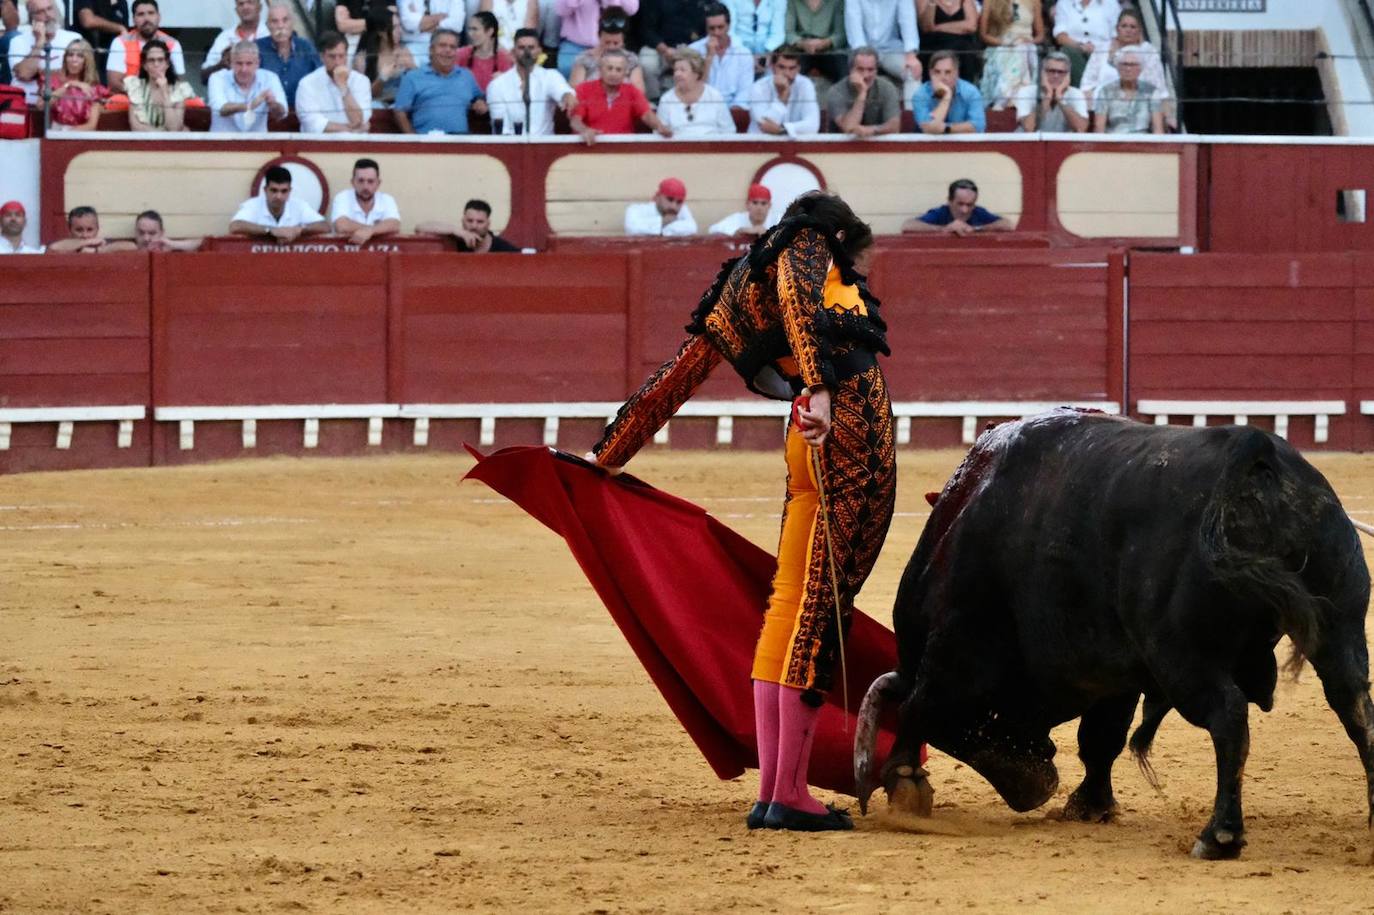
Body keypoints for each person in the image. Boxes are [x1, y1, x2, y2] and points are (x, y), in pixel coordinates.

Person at [587, 190, 895, 833]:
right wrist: (817, 388)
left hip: (806, 446)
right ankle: (786, 796)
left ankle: (775, 790)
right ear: (836, 234)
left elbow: (680, 372)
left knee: (788, 608)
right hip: (848, 439)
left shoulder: (737, 284)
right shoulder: (808, 247)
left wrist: (611, 453)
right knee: (817, 611)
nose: (859, 272)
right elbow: (801, 305)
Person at [1080, 7, 1171, 122]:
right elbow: (1086, 86)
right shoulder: (1102, 49)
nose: (1128, 30)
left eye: (1133, 27)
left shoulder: (1150, 52)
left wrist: (1168, 118)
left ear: (1139, 31)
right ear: (1117, 29)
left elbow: (1160, 91)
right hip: (1102, 111)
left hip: (1140, 112)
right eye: (1124, 26)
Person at [569, 47, 671, 142]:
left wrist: (659, 126)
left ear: (625, 73)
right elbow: (575, 120)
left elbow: (647, 115)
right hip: (590, 147)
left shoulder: (632, 91)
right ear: (600, 70)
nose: (613, 73)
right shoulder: (584, 89)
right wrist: (584, 130)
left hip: (623, 148)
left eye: (618, 69)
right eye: (609, 68)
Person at [486, 26, 575, 135]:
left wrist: (567, 96)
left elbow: (562, 91)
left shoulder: (550, 76)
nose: (527, 52)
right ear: (513, 52)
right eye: (522, 48)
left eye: (531, 47)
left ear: (539, 51)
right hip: (510, 146)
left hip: (544, 146)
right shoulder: (497, 85)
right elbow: (500, 127)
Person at [394, 28, 485, 134]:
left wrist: (480, 102)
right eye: (442, 45)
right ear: (431, 49)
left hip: (460, 141)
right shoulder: (412, 77)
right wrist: (414, 139)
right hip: (427, 140)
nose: (448, 50)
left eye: (453, 47)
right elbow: (399, 111)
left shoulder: (466, 76)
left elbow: (479, 97)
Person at [295, 30, 372, 132]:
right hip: (319, 145)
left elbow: (358, 120)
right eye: (332, 56)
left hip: (354, 145)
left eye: (341, 56)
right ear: (322, 57)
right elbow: (313, 123)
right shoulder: (306, 84)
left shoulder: (361, 81)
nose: (337, 62)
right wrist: (349, 130)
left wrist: (343, 87)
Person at [843, 0, 921, 100]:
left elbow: (907, 21)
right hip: (862, 50)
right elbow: (854, 30)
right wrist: (864, 60)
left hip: (891, 49)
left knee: (912, 72)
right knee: (860, 73)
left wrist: (911, 55)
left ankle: (911, 115)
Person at [7, 0, 82, 105]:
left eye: (49, 9)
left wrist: (38, 73)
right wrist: (40, 42)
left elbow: (78, 74)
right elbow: (24, 74)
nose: (48, 15)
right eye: (40, 12)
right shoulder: (17, 41)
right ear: (31, 17)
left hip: (63, 106)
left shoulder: (73, 38)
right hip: (24, 105)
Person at [229, 165, 330, 240]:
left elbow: (324, 226)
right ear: (265, 190)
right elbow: (235, 226)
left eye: (284, 191)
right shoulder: (253, 205)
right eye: (274, 190)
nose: (278, 196)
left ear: (290, 191)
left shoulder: (299, 206)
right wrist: (270, 230)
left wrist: (298, 229)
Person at [634, 0, 710, 99]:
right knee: (647, 63)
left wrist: (687, 52)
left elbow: (706, 33)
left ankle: (691, 99)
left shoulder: (702, 3)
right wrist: (665, 50)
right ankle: (653, 100)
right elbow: (646, 30)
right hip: (660, 48)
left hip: (690, 49)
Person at [105, 0, 185, 93]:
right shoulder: (120, 42)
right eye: (141, 14)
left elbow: (180, 82)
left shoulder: (172, 44)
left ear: (159, 17)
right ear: (134, 19)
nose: (146, 18)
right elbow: (114, 83)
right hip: (129, 99)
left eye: (151, 13)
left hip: (163, 100)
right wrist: (143, 97)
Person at [207, 40, 287, 132]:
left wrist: (273, 104)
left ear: (257, 63)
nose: (244, 69)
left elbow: (282, 113)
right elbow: (221, 109)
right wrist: (250, 105)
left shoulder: (270, 78)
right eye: (239, 63)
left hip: (258, 143)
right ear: (231, 63)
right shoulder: (217, 78)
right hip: (222, 143)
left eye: (249, 63)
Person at [977, 0, 1042, 110]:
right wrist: (1006, 43)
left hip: (1027, 46)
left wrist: (1029, 42)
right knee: (1017, 51)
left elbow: (1040, 35)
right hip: (1001, 45)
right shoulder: (990, 2)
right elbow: (983, 35)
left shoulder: (1034, 2)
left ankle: (1006, 98)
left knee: (1023, 49)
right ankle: (1013, 99)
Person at [657, 47, 734, 137]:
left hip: (711, 149)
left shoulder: (714, 96)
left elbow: (729, 131)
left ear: (696, 73)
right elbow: (659, 135)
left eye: (682, 70)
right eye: (675, 70)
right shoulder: (666, 99)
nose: (677, 74)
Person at [689, 3, 753, 109]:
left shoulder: (744, 54)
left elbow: (744, 93)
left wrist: (729, 114)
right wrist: (709, 57)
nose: (716, 32)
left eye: (720, 27)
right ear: (706, 29)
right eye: (712, 28)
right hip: (701, 108)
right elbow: (693, 90)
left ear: (728, 26)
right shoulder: (693, 51)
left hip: (732, 110)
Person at [257, 0, 321, 107]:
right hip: (269, 114)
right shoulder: (257, 49)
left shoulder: (306, 47)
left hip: (302, 110)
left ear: (292, 23)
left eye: (285, 20)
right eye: (274, 21)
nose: (280, 26)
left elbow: (320, 77)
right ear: (267, 26)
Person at [824, 45, 898, 137]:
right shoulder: (836, 91)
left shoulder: (887, 88)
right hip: (841, 148)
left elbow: (895, 125)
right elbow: (848, 127)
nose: (865, 75)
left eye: (870, 69)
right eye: (860, 69)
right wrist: (862, 93)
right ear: (851, 70)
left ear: (876, 70)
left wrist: (873, 130)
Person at [747, 44, 818, 136]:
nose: (786, 73)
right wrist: (781, 98)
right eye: (781, 67)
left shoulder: (805, 85)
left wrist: (782, 130)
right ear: (772, 67)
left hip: (794, 145)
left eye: (792, 68)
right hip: (760, 145)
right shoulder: (758, 87)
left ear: (798, 69)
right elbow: (765, 126)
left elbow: (812, 125)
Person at [554, 0, 637, 78]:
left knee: (617, 72)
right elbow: (561, 10)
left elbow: (632, 9)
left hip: (612, 46)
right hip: (576, 45)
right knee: (567, 68)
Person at [1091, 45, 1162, 134]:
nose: (1128, 69)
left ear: (1140, 68)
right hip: (1114, 143)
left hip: (1142, 143)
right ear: (1117, 67)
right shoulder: (1105, 91)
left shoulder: (1151, 92)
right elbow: (1099, 127)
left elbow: (1158, 128)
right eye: (1124, 64)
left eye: (1133, 65)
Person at [901, 177, 1012, 234]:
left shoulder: (978, 212)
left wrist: (976, 229)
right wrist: (944, 229)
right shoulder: (941, 212)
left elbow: (1007, 224)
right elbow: (907, 226)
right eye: (960, 204)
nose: (964, 210)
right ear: (949, 201)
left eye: (969, 205)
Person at [354, 6, 416, 106]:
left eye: (400, 26)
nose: (399, 31)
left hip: (404, 103)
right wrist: (382, 78)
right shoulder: (363, 59)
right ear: (381, 32)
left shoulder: (404, 50)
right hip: (380, 105)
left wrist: (412, 67)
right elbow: (365, 96)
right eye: (394, 27)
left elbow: (419, 82)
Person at [329, 158, 401, 244]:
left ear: (378, 183)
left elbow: (394, 225)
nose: (365, 186)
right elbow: (341, 226)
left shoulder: (387, 199)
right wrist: (375, 229)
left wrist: (370, 231)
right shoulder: (342, 197)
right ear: (353, 182)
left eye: (370, 181)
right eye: (361, 181)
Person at [912, 49, 984, 134]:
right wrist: (947, 97)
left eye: (948, 72)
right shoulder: (920, 95)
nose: (943, 77)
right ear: (930, 73)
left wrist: (947, 128)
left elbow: (978, 126)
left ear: (957, 73)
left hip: (962, 145)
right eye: (937, 72)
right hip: (927, 145)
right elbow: (929, 129)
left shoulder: (971, 92)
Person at [570, 13, 643, 93]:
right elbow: (575, 89)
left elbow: (638, 92)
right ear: (599, 37)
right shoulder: (584, 58)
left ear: (623, 41)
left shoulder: (631, 59)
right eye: (607, 42)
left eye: (616, 43)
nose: (611, 47)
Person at [1015, 50, 1087, 132]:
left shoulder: (1076, 93)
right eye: (1051, 71)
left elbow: (1081, 128)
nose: (1056, 76)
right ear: (1042, 72)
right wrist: (1048, 96)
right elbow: (1029, 128)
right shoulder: (1027, 92)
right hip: (1031, 143)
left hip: (1062, 143)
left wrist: (1060, 99)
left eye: (1061, 72)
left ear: (1068, 75)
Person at [1051, 0, 1120, 86]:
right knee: (1068, 52)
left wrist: (1101, 50)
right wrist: (1080, 46)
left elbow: (1117, 36)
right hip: (1075, 50)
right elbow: (1060, 36)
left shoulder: (1111, 3)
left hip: (1103, 52)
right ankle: (1081, 92)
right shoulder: (1064, 3)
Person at [45, 38, 108, 131]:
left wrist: (67, 133)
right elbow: (43, 104)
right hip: (54, 132)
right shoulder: (54, 80)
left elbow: (91, 125)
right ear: (65, 58)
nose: (74, 59)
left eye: (80, 56)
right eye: (70, 55)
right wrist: (70, 84)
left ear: (87, 61)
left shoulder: (94, 88)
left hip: (79, 136)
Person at [417, 198, 520, 251]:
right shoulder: (456, 239)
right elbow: (420, 227)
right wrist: (456, 231)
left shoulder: (502, 247)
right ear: (463, 221)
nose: (474, 226)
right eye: (470, 221)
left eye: (480, 222)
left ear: (488, 224)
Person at [784, 0, 845, 87]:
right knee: (789, 73)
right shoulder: (793, 2)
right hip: (800, 48)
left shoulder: (837, 2)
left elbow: (841, 34)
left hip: (829, 48)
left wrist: (825, 43)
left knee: (843, 72)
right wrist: (802, 43)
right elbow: (788, 32)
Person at [204, 0, 267, 82]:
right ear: (236, 10)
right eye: (241, 4)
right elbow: (203, 76)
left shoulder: (269, 34)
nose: (245, 7)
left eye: (250, 2)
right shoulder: (225, 37)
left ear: (260, 7)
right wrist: (221, 65)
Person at [916, 0, 977, 82]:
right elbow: (927, 26)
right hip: (934, 45)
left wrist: (938, 27)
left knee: (966, 51)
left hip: (962, 48)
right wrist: (931, 3)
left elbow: (971, 26)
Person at [457, 10, 513, 91]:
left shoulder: (504, 58)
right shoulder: (461, 54)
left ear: (490, 31)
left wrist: (504, 80)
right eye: (469, 29)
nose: (470, 33)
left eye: (475, 29)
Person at [623, 177, 696, 236]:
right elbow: (632, 228)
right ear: (658, 197)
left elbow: (692, 228)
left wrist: (662, 230)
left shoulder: (682, 210)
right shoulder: (635, 210)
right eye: (670, 199)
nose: (674, 206)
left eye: (679, 202)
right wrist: (663, 221)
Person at [47, 205, 138, 252]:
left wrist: (97, 250)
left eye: (89, 230)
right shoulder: (66, 246)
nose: (85, 235)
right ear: (70, 230)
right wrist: (87, 242)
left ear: (97, 229)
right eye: (79, 230)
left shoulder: (103, 245)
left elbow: (133, 246)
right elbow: (53, 248)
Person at [707, 182, 775, 236]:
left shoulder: (777, 219)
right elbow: (712, 230)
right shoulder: (737, 219)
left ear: (769, 206)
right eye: (755, 203)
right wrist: (738, 232)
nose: (759, 208)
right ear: (747, 205)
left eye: (763, 203)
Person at [133, 210, 201, 251]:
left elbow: (199, 243)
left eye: (152, 233)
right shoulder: (131, 247)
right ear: (135, 232)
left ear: (161, 233)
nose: (146, 238)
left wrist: (172, 244)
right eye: (141, 233)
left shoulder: (167, 247)